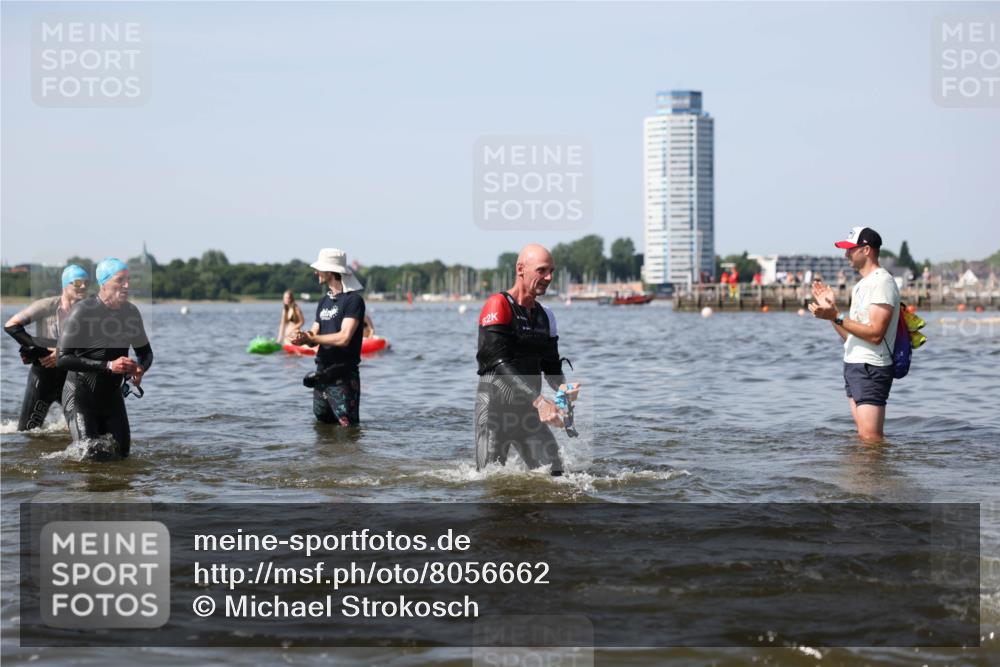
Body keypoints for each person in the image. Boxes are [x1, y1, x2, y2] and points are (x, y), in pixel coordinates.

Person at [475, 244, 579, 476]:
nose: (549, 277)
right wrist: (541, 402)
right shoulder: (498, 305)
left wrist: (563, 390)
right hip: (494, 413)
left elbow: (551, 367)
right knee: (488, 483)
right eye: (542, 270)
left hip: (529, 415)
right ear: (521, 269)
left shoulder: (546, 316)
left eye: (551, 271)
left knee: (558, 477)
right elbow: (498, 363)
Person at [809, 227, 900, 443]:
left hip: (871, 367)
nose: (846, 254)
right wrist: (832, 312)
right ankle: (864, 477)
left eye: (851, 249)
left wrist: (837, 316)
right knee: (864, 438)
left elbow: (876, 334)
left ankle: (876, 477)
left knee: (871, 439)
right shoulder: (861, 285)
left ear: (866, 250)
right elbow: (851, 336)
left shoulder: (882, 282)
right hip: (854, 365)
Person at [57, 258, 153, 457]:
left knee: (123, 457)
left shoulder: (131, 313)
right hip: (80, 397)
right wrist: (109, 365)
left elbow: (145, 353)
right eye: (120, 280)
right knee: (91, 457)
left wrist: (140, 368)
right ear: (104, 283)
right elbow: (63, 358)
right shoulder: (83, 311)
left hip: (112, 399)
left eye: (128, 279)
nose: (126, 285)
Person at [3, 265, 90, 431]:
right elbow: (10, 326)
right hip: (43, 377)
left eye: (87, 282)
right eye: (78, 282)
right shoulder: (46, 306)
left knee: (82, 432)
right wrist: (35, 346)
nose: (84, 286)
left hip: (71, 377)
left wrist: (62, 351)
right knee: (28, 432)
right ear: (66, 284)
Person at [290, 248, 366, 426]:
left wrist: (312, 339)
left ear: (331, 272)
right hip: (322, 373)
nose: (316, 272)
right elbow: (314, 334)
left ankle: (352, 455)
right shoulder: (324, 301)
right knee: (322, 425)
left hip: (344, 375)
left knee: (348, 427)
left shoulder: (353, 300)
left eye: (319, 269)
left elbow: (344, 338)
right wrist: (302, 337)